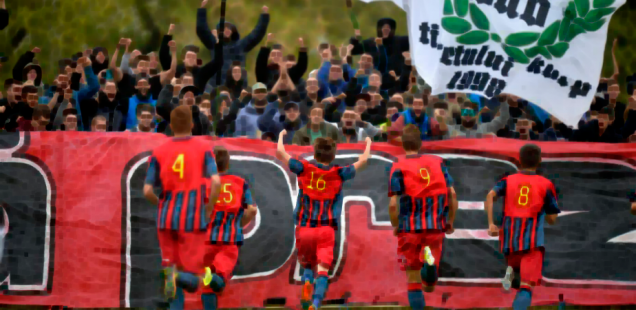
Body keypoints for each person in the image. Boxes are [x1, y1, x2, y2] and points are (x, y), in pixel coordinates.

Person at [276, 130, 372, 310]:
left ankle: (306, 282)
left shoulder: (304, 168)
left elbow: (280, 152)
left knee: (307, 264)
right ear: (333, 155)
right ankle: (316, 302)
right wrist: (367, 143)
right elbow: (363, 161)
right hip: (326, 229)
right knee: (322, 269)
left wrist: (281, 135)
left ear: (315, 153)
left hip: (305, 228)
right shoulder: (338, 173)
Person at [142, 105, 222, 309]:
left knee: (172, 271)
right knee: (195, 276)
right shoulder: (203, 147)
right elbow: (215, 181)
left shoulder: (159, 150)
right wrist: (209, 208)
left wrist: (161, 204)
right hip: (192, 218)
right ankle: (178, 276)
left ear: (170, 125)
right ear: (192, 125)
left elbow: (147, 190)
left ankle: (173, 277)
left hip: (166, 217)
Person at [388, 124, 457, 310]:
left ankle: (427, 265)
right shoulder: (438, 162)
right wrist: (450, 220)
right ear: (421, 143)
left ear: (403, 144)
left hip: (409, 228)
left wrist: (396, 225)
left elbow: (393, 203)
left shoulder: (398, 166)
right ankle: (430, 263)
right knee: (429, 283)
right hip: (435, 225)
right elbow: (452, 195)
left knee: (413, 279)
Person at [484, 144, 561, 310]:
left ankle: (511, 271)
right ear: (540, 161)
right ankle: (514, 277)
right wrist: (546, 213)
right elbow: (552, 218)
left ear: (519, 160)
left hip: (509, 242)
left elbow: (490, 195)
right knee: (526, 287)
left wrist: (491, 223)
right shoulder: (546, 184)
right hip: (532, 244)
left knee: (518, 278)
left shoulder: (508, 180)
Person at [201, 146, 258, 310]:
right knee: (218, 282)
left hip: (206, 240)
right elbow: (252, 210)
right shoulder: (240, 182)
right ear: (227, 164)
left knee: (208, 287)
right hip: (229, 240)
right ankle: (203, 274)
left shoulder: (203, 184)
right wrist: (237, 224)